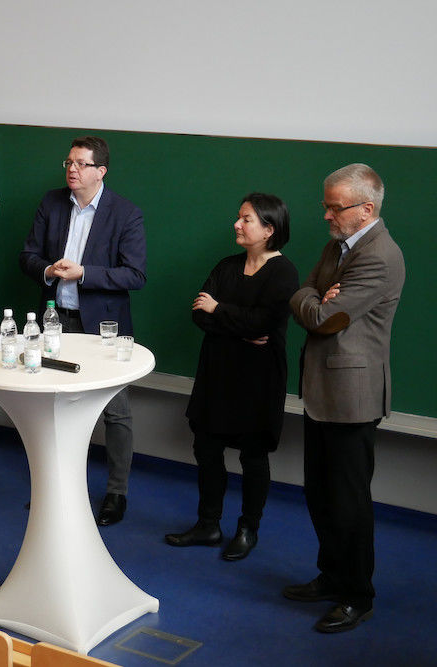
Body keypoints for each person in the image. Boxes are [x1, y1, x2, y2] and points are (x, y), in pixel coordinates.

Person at [284, 163, 405, 633]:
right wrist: (314, 297)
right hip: (323, 390)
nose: (328, 216)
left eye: (336, 207)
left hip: (352, 396)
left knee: (349, 500)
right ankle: (331, 577)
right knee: (320, 491)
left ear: (366, 208)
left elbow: (322, 317)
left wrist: (315, 301)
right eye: (326, 206)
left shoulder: (380, 255)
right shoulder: (339, 244)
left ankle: (358, 595)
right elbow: (305, 291)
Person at [18, 136, 146, 526]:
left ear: (100, 171)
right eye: (68, 162)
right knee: (54, 407)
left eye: (81, 164)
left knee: (116, 414)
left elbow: (135, 274)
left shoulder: (125, 213)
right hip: (57, 322)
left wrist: (85, 273)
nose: (71, 169)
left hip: (104, 328)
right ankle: (58, 488)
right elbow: (27, 256)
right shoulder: (52, 202)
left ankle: (116, 493)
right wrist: (48, 270)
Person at [165, 193, 298, 560]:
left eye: (246, 219)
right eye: (238, 218)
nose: (236, 224)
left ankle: (247, 529)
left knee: (253, 457)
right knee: (206, 449)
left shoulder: (284, 272)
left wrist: (220, 309)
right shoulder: (226, 266)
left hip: (258, 380)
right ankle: (208, 525)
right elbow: (199, 315)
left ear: (269, 229)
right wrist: (238, 327)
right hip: (217, 375)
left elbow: (264, 322)